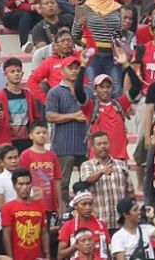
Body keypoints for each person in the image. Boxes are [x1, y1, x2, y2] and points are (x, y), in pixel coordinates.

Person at [45, 53, 92, 206]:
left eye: (76, 68)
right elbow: (50, 116)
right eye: (70, 68)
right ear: (62, 71)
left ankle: (84, 208)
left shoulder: (88, 90)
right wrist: (73, 116)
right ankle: (64, 211)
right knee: (62, 183)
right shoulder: (55, 92)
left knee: (88, 182)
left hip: (84, 143)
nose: (74, 71)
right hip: (63, 145)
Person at [74, 0, 124, 97]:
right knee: (92, 89)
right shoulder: (82, 9)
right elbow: (75, 34)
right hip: (92, 57)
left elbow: (120, 33)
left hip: (112, 56)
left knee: (116, 89)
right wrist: (88, 45)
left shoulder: (117, 8)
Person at [0, 58, 41, 152]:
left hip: (28, 142)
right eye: (12, 72)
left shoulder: (29, 95)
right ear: (6, 75)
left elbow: (36, 117)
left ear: (22, 74)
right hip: (7, 143)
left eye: (18, 71)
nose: (16, 74)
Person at [1, 168, 49, 260]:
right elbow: (6, 235)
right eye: (21, 184)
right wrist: (10, 257)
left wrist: (47, 255)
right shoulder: (8, 208)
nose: (25, 187)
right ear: (14, 186)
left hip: (37, 256)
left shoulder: (40, 206)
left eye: (27, 184)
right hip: (17, 256)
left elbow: (44, 232)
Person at [17, 121, 60, 215]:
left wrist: (60, 204)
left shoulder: (52, 156)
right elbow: (19, 180)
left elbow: (57, 181)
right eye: (38, 133)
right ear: (31, 136)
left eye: (44, 133)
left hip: (49, 204)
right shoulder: (25, 155)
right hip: (31, 203)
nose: (42, 135)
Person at [56, 189, 110, 260]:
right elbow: (60, 255)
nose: (88, 208)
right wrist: (76, 246)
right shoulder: (68, 226)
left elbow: (108, 251)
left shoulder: (101, 224)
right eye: (84, 204)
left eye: (90, 204)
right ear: (75, 206)